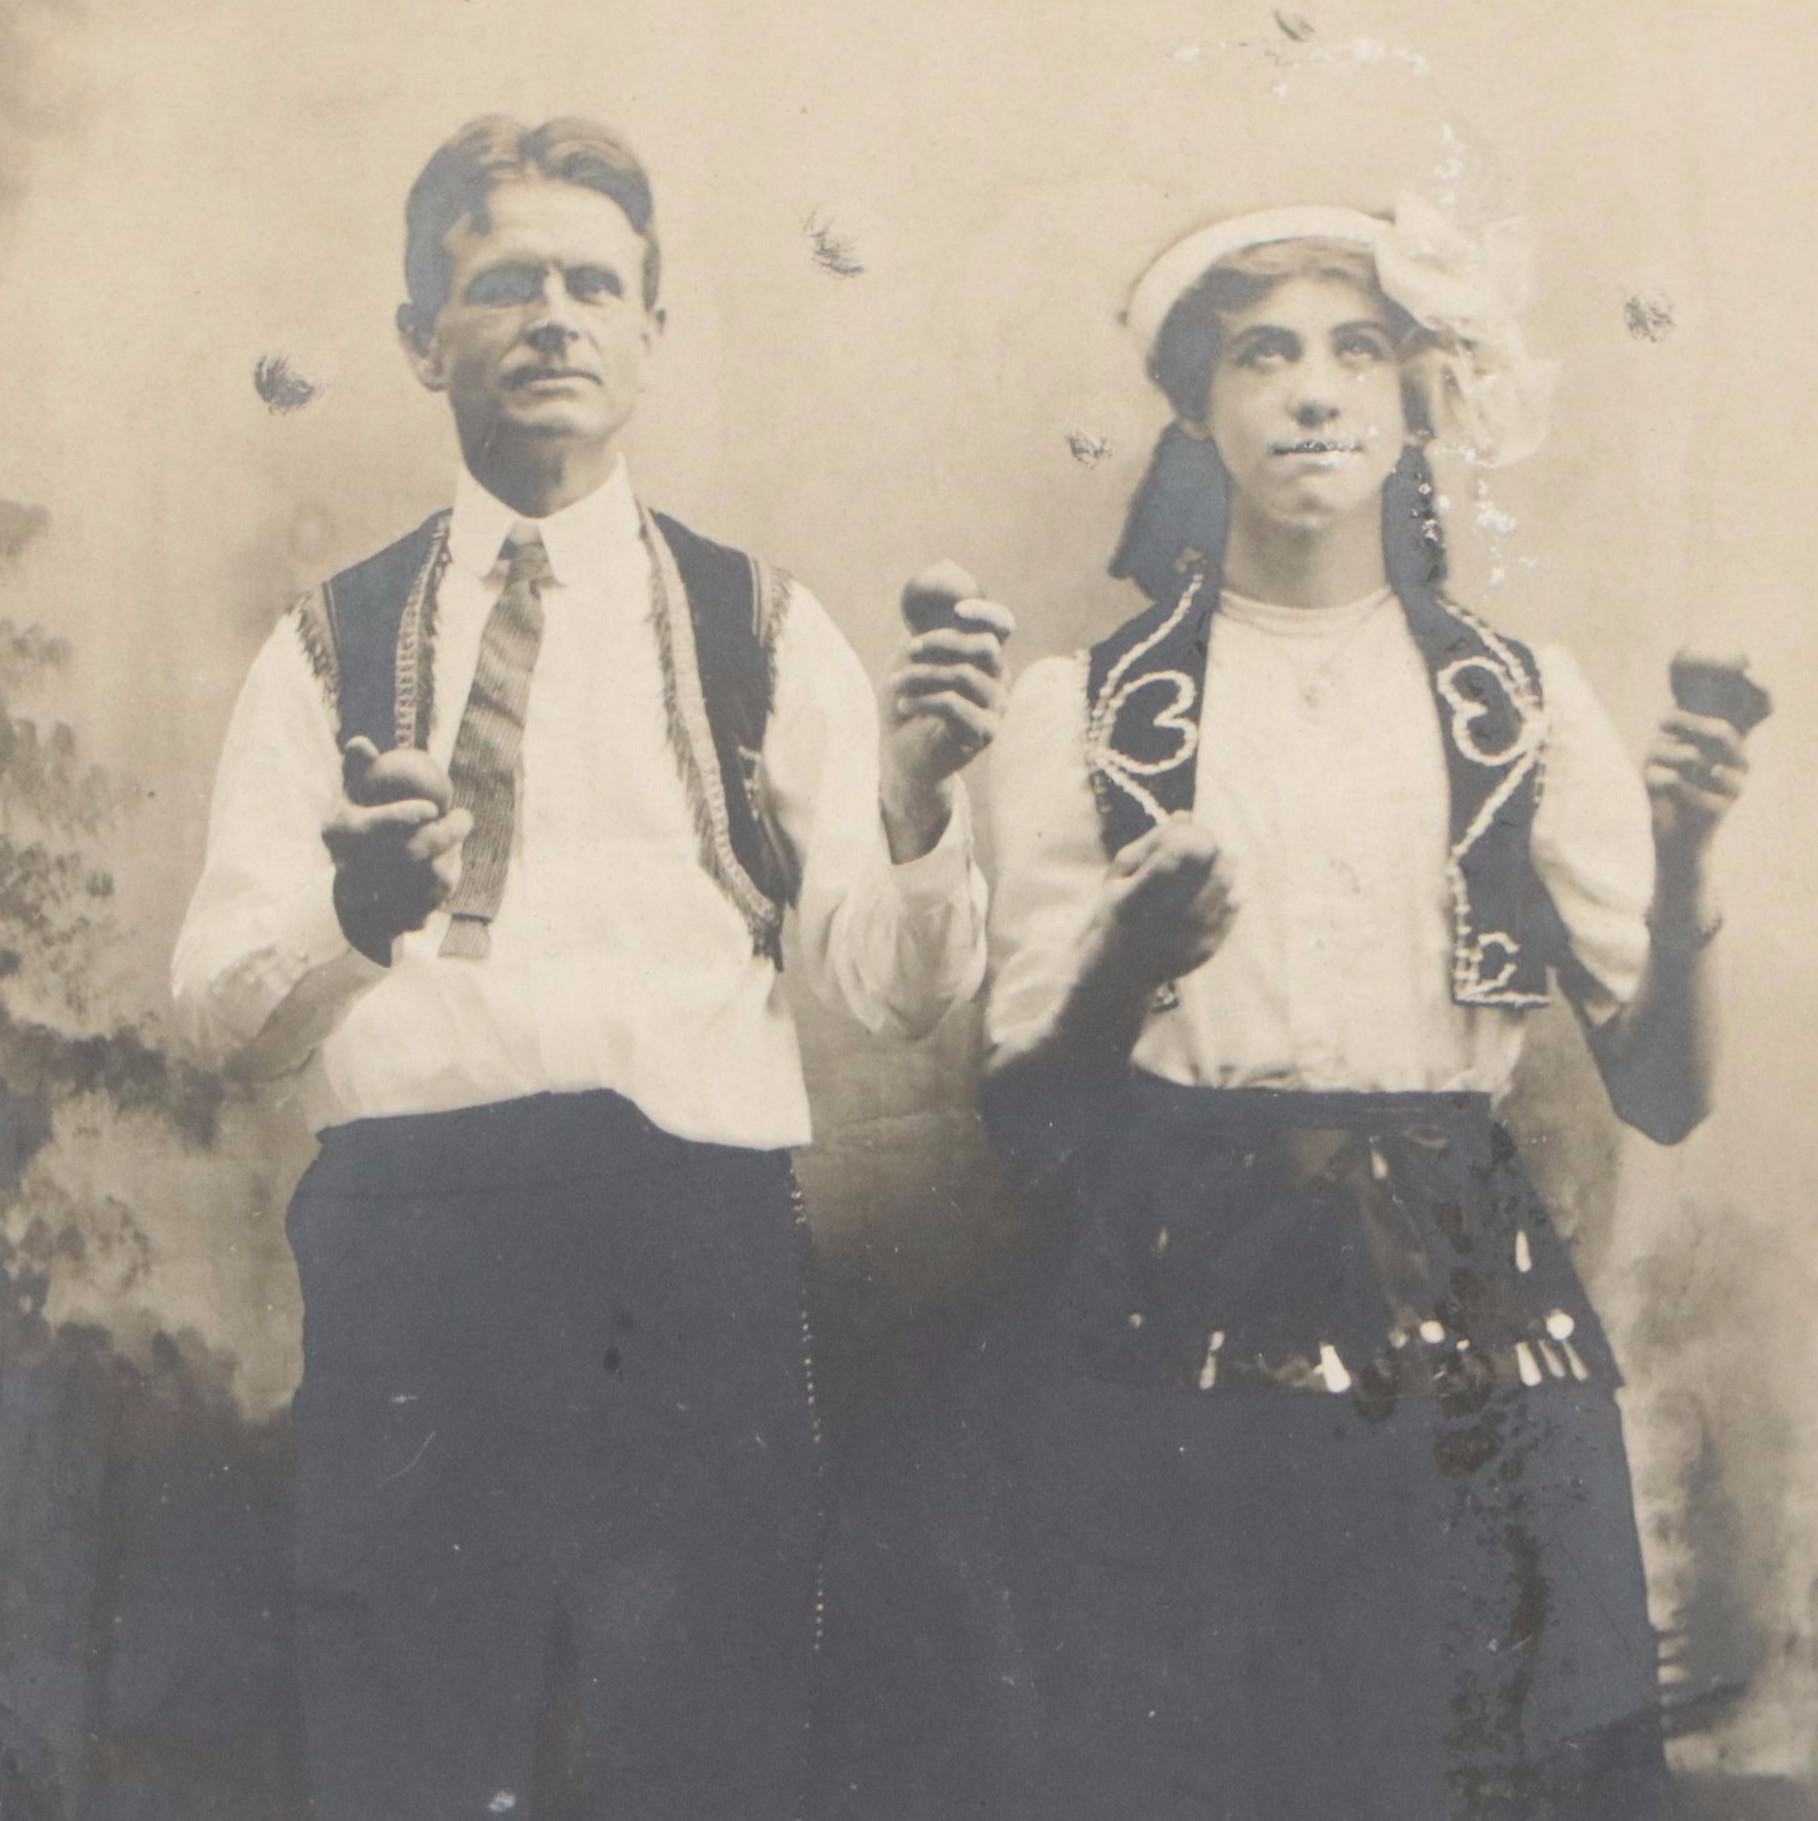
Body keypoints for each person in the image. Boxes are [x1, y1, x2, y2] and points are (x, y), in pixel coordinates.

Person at [817, 200, 1760, 1820]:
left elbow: (1663, 1088)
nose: (1314, 393)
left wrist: (1677, 870)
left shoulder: (1519, 703)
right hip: (1169, 1311)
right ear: (1197, 410)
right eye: (1264, 356)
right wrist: (1129, 961)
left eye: (1358, 352)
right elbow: (1027, 1128)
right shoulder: (1095, 709)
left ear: (1414, 404)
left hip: (1469, 1316)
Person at [170, 114, 1011, 1821]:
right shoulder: (327, 644)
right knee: (410, 1718)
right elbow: (215, 1020)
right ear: (425, 340)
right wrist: (356, 920)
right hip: (420, 1241)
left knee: (703, 1725)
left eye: (592, 283)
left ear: (650, 331)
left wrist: (919, 810)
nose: (552, 318)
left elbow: (884, 988)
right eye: (502, 286)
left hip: (686, 1244)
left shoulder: (761, 625)